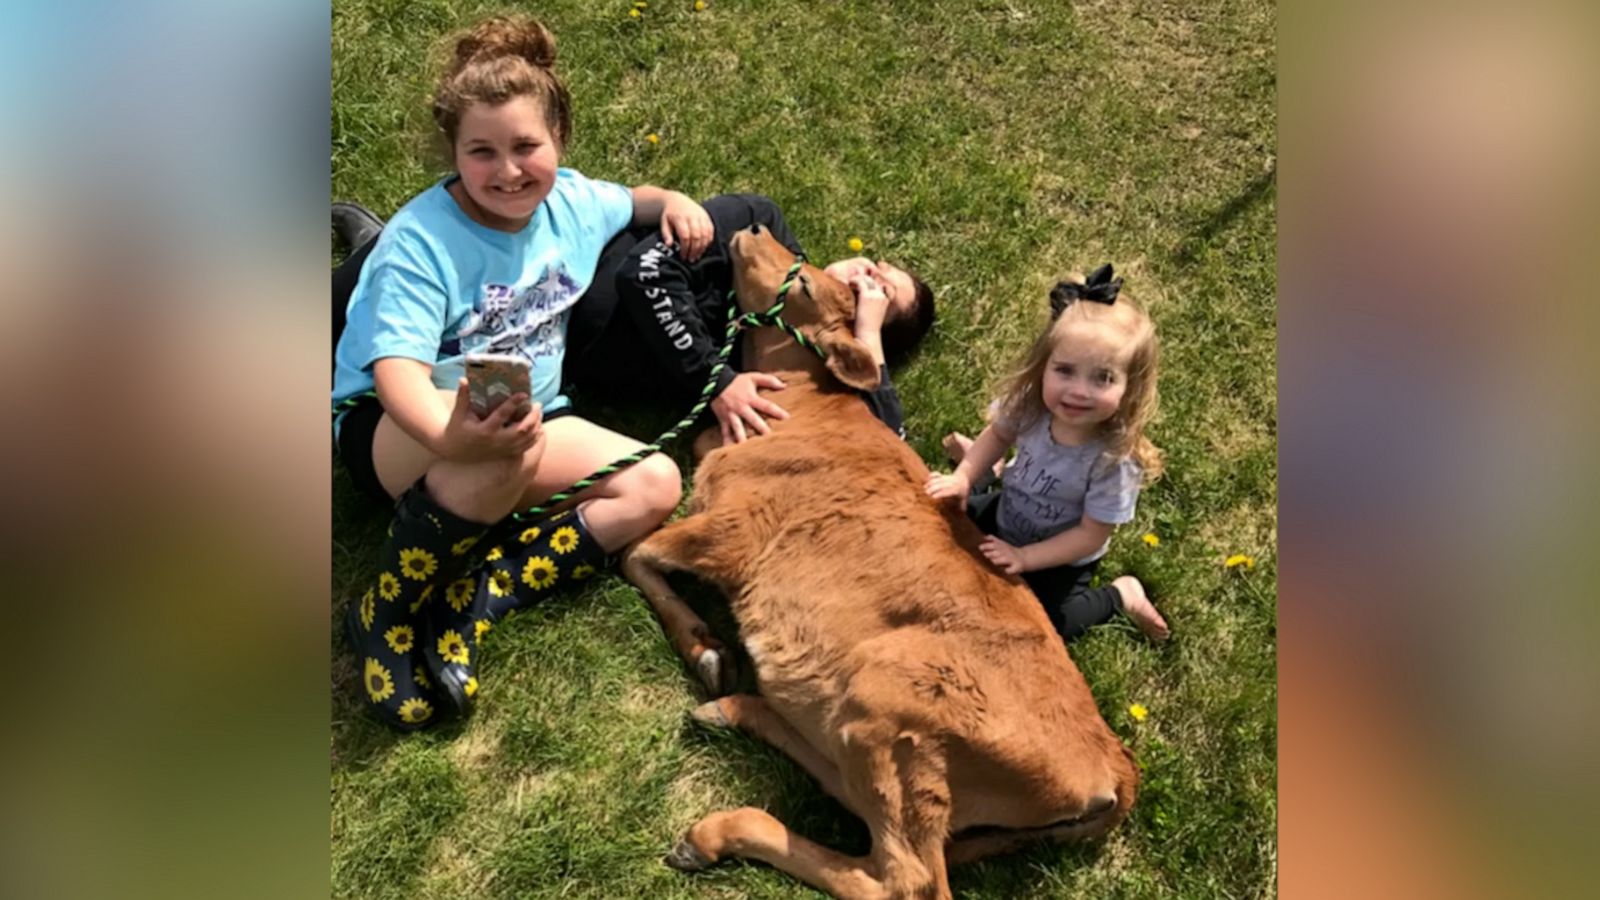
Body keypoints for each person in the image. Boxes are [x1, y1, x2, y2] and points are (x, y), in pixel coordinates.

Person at [331, 14, 714, 730]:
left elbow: (637, 200)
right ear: (452, 153)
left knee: (654, 483)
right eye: (481, 152)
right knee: (503, 448)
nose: (507, 170)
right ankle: (384, 611)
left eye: (525, 147)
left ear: (559, 139)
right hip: (394, 429)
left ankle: (476, 595)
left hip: (524, 420)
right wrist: (453, 438)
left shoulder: (570, 201)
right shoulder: (422, 242)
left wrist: (678, 204)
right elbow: (397, 377)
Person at [562, 194, 937, 444]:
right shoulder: (760, 226)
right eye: (879, 267)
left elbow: (886, 439)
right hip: (552, 287)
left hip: (556, 372)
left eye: (879, 292)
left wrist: (868, 336)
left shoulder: (786, 376)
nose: (867, 274)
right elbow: (643, 275)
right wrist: (717, 382)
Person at [926, 265, 1171, 644]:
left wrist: (1025, 560)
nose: (1078, 390)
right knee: (935, 518)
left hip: (1060, 560)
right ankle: (978, 470)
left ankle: (1121, 595)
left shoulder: (1115, 460)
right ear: (1044, 367)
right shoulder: (1032, 405)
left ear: (1130, 387)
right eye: (1065, 371)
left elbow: (1089, 536)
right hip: (1006, 511)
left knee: (1049, 630)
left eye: (1102, 377)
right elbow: (999, 433)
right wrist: (963, 477)